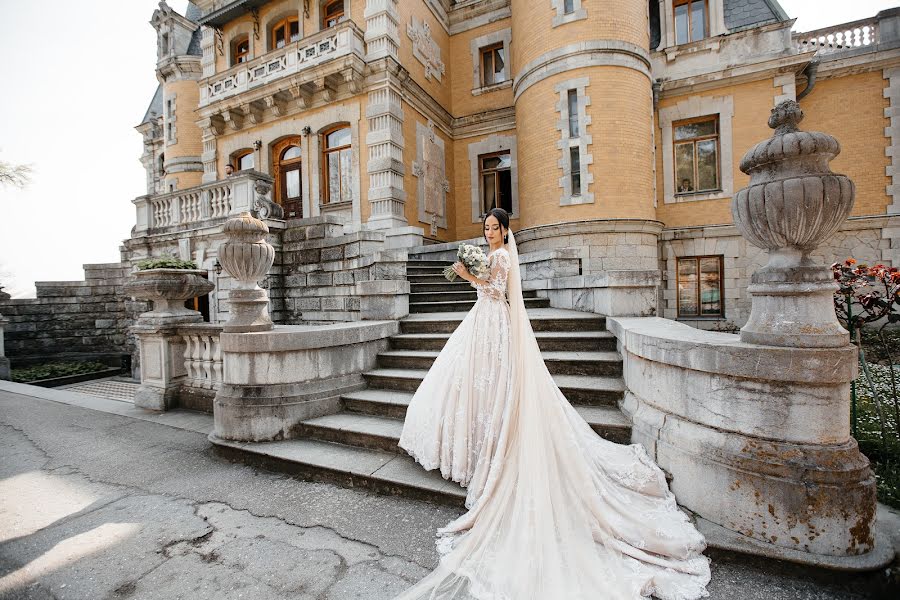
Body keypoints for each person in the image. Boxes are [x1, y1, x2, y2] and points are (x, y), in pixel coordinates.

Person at [396, 208, 711, 600]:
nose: (490, 233)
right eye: (487, 229)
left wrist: (467, 276)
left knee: (484, 382)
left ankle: (482, 450)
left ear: (506, 231)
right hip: (487, 323)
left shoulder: (500, 256)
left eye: (495, 228)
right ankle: (475, 447)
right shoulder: (498, 254)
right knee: (472, 381)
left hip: (493, 320)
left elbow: (495, 292)